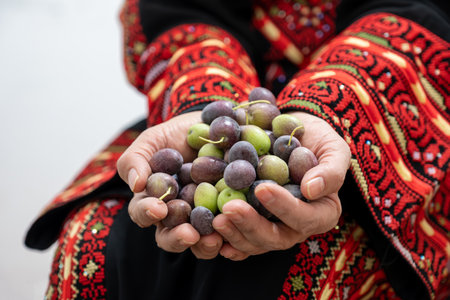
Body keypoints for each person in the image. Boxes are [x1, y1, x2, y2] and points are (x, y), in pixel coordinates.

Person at [25, 0, 450, 299]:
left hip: (372, 110)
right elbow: (183, 13)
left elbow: (420, 9)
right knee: (98, 243)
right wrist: (206, 103)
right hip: (217, 107)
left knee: (301, 265)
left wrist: (329, 110)